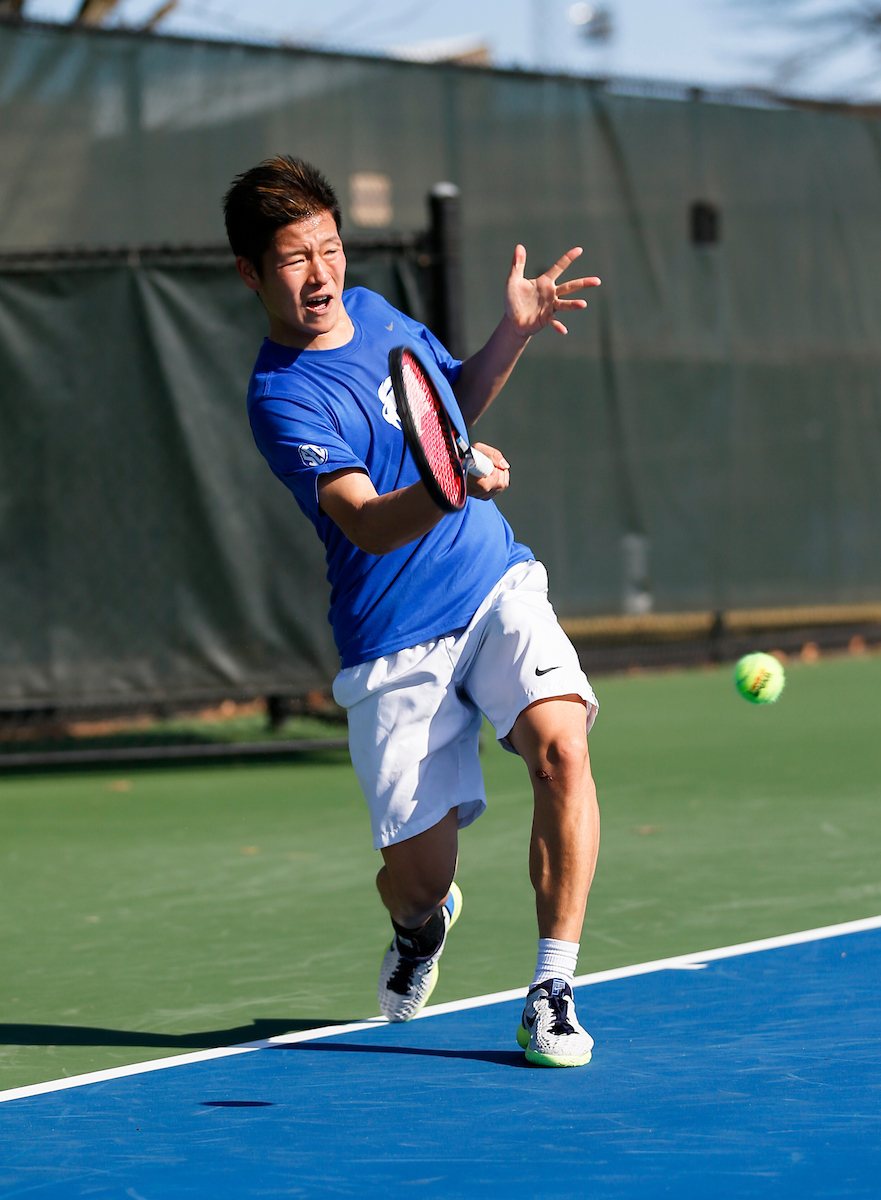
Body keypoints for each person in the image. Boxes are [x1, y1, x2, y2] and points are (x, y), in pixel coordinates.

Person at [224, 156, 601, 1068]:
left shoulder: (386, 317)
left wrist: (509, 336)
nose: (319, 273)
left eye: (328, 247)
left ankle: (551, 990)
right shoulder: (282, 397)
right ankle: (420, 926)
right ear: (251, 273)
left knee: (560, 745)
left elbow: (448, 414)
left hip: (490, 580)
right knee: (419, 880)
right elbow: (365, 518)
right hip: (392, 639)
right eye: (292, 259)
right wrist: (449, 481)